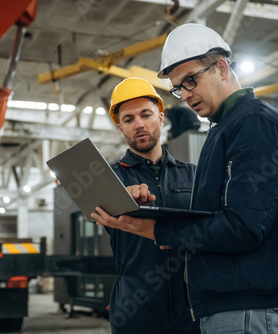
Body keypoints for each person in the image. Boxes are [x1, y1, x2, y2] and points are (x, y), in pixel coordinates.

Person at [93, 24, 278, 333]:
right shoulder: (223, 128)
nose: (185, 95)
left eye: (190, 81)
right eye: (178, 88)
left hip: (249, 306)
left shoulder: (253, 123)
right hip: (210, 306)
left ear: (221, 67)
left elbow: (244, 226)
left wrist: (159, 230)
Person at [104, 77, 198, 334]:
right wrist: (121, 198)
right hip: (136, 312)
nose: (139, 124)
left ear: (160, 117)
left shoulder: (194, 175)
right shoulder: (108, 181)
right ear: (121, 129)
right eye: (128, 119)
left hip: (193, 310)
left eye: (145, 114)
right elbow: (96, 213)